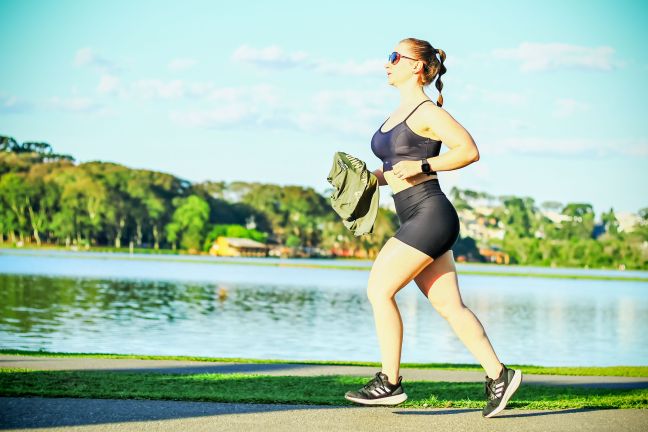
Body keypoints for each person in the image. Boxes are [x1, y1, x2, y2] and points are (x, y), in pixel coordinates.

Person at [343, 37, 522, 418]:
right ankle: (499, 375)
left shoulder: (427, 111)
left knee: (379, 288)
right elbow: (399, 166)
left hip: (430, 214)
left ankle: (389, 382)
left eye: (394, 57)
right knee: (449, 305)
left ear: (417, 67)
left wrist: (425, 167)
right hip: (416, 215)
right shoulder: (397, 113)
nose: (386, 63)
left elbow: (468, 150)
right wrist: (369, 179)